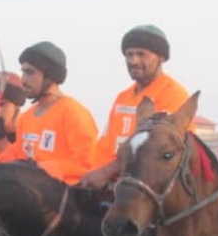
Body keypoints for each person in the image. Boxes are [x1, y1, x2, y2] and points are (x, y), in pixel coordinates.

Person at [80, 25, 191, 189]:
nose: (133, 61)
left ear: (161, 58)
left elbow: (156, 151)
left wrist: (106, 172)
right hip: (114, 185)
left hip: (146, 190)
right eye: (129, 54)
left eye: (141, 54)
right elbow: (105, 146)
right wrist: (93, 175)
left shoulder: (173, 95)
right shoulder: (123, 97)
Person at [0, 42, 98, 184]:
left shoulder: (72, 112)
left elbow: (85, 165)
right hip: (29, 192)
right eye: (23, 72)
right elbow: (11, 160)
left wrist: (37, 169)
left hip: (64, 193)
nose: (23, 80)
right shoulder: (27, 117)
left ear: (50, 76)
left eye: (30, 72)